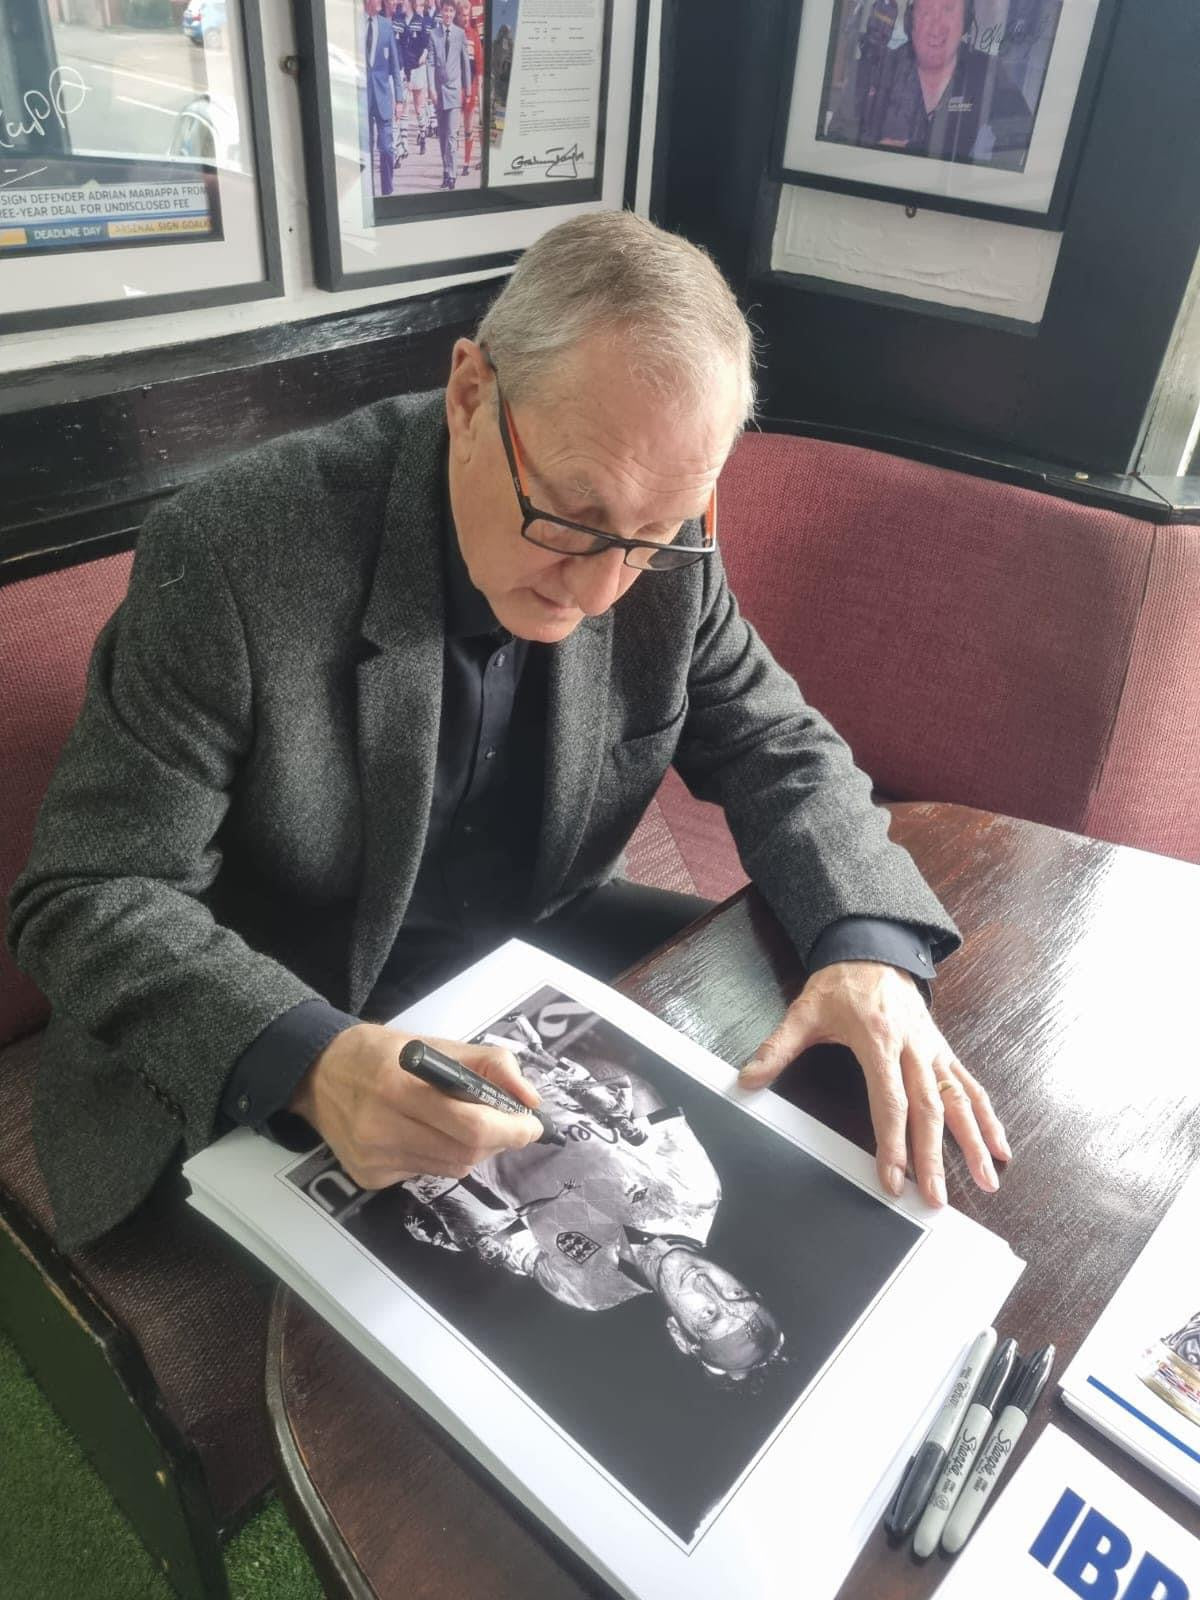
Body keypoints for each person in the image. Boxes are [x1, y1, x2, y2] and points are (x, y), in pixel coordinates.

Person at [8, 211, 1010, 1253]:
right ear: (470, 393)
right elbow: (87, 890)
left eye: (653, 538)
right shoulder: (235, 555)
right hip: (281, 996)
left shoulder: (653, 544)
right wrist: (313, 1058)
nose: (601, 586)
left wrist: (868, 949)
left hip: (528, 955)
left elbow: (780, 749)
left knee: (814, 1104)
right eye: (570, 518)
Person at [399, 1019, 784, 1382]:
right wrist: (542, 1066)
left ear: (679, 1334)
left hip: (438, 1118)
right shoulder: (697, 1192)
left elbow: (493, 1234)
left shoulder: (589, 1292)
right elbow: (639, 1092)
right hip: (501, 1052)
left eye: (709, 1315)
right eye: (735, 1293)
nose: (708, 1286)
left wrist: (444, 1201)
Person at [827, 0, 1033, 168]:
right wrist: (872, 157)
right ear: (911, 22)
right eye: (925, 12)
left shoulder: (986, 70)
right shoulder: (876, 69)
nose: (936, 26)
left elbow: (1020, 136)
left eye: (948, 9)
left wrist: (977, 182)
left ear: (966, 20)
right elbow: (834, 145)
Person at [427, 0, 472, 190]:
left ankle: (452, 175)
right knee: (443, 136)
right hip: (439, 92)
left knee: (452, 135)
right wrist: (431, 88)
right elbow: (430, 63)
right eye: (445, 10)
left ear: (454, 14)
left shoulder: (460, 34)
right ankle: (446, 172)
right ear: (441, 12)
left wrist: (468, 89)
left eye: (451, 11)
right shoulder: (433, 34)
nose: (448, 14)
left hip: (454, 91)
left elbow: (465, 63)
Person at [363, 0, 405, 196]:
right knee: (366, 150)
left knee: (387, 149)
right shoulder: (355, 25)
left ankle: (387, 192)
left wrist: (399, 100)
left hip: (383, 97)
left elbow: (395, 66)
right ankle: (369, 194)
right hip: (361, 97)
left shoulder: (387, 25)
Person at [393, 0, 430, 157]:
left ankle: (422, 135)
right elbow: (396, 43)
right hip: (403, 69)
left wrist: (425, 54)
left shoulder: (419, 21)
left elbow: (427, 43)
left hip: (417, 68)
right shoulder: (397, 20)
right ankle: (405, 144)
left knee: (418, 107)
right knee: (404, 105)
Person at [456, 0, 484, 178]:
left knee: (472, 125)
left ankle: (469, 161)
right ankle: (452, 163)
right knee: (454, 129)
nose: (465, 18)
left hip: (472, 86)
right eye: (462, 15)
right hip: (454, 87)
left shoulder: (474, 34)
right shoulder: (453, 34)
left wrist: (479, 85)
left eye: (467, 15)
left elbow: (479, 65)